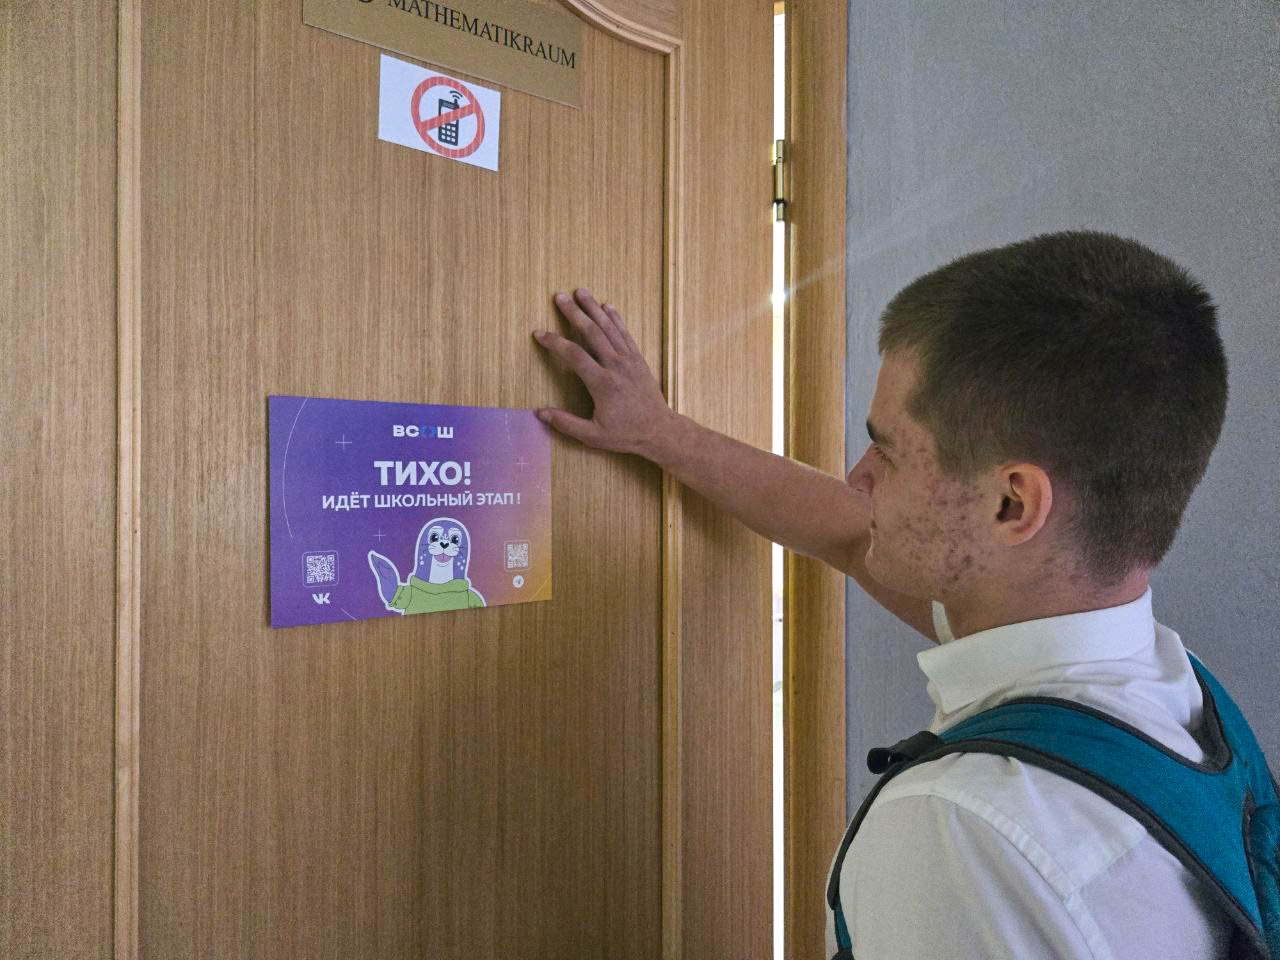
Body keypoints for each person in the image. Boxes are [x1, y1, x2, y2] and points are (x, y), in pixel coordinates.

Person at [532, 230, 1236, 958]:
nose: (859, 476)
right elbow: (844, 532)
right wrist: (657, 432)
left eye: (888, 450)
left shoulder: (963, 830)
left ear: (1012, 505)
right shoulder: (1175, 700)